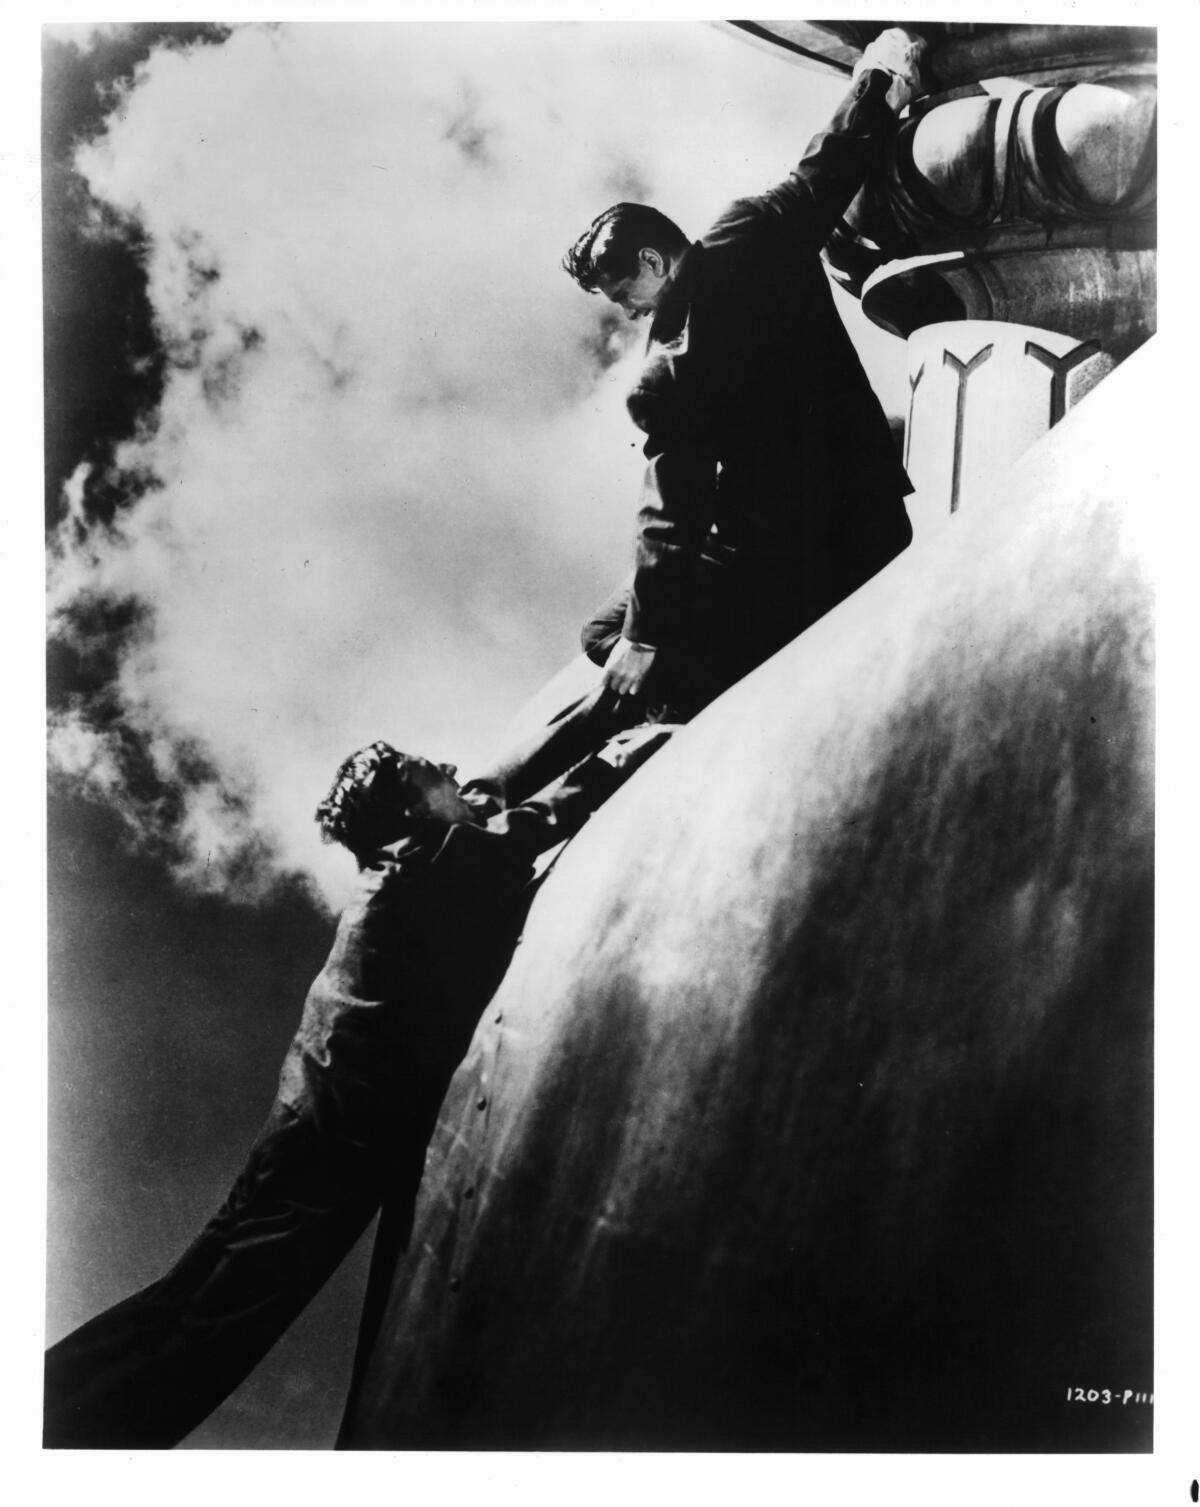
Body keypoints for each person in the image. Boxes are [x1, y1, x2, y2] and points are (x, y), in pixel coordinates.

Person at [44, 726, 674, 1449]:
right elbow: (519, 826)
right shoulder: (429, 860)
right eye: (424, 768)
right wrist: (629, 746)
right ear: (411, 812)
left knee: (185, 1310)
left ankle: (51, 1416)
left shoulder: (400, 864)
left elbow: (486, 798)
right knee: (206, 1332)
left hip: (306, 1131)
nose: (448, 764)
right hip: (333, 1147)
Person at [474, 30, 924, 809]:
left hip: (792, 561)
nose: (623, 311)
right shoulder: (753, 228)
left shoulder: (671, 363)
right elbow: (827, 165)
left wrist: (644, 645)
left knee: (609, 643)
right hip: (876, 517)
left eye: (620, 291)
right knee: (628, 623)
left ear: (651, 262)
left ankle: (504, 798)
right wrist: (883, 77)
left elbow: (669, 511)